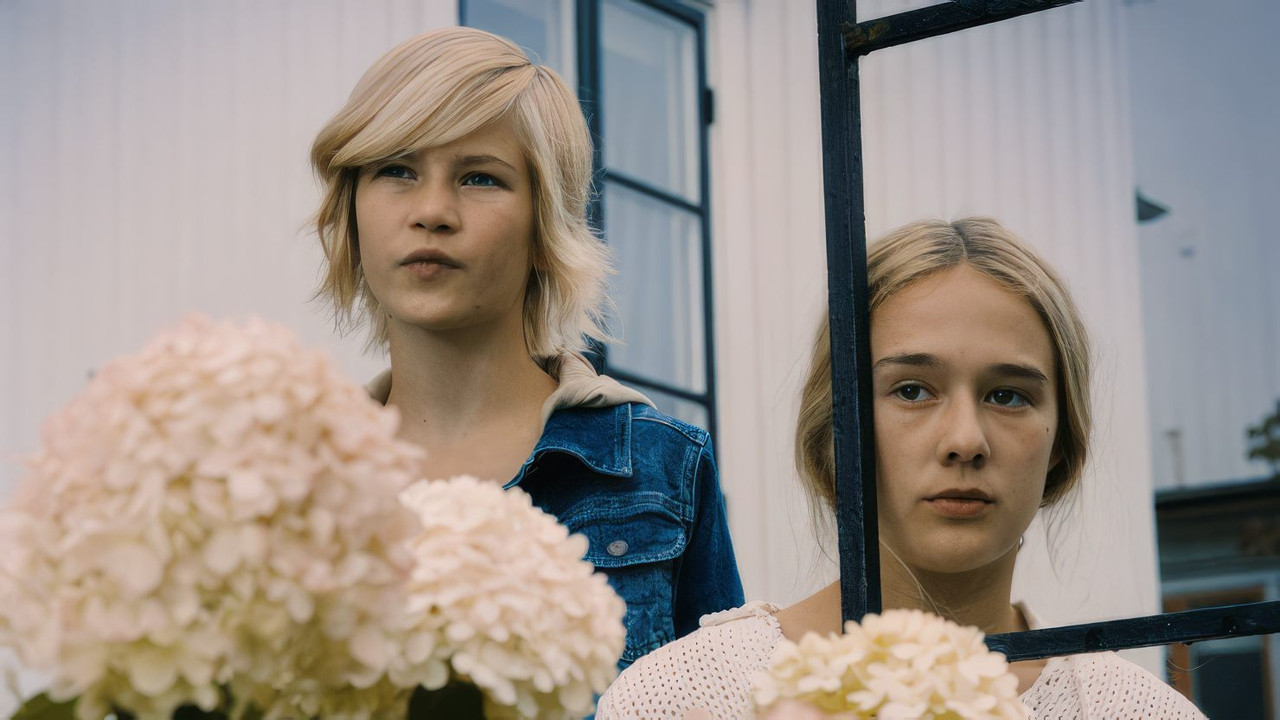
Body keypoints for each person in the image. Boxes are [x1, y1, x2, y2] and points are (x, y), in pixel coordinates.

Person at [596, 218, 1205, 718]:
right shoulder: (683, 697)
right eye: (912, 390)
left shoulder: (1138, 712)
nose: (964, 441)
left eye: (1008, 395)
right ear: (834, 427)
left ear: (1062, 442)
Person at [308, 26, 743, 671]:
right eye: (396, 170)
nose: (433, 210)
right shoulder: (298, 483)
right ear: (352, 210)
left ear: (545, 226)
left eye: (480, 178)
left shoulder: (661, 469)